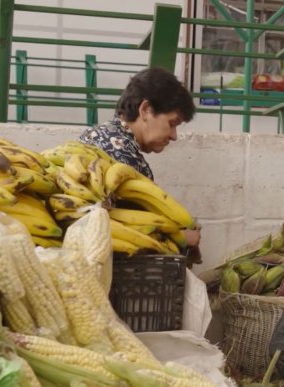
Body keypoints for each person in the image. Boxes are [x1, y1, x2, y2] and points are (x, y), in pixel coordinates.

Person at [79, 67, 202, 261]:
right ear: (145, 110)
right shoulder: (121, 155)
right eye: (172, 123)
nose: (174, 136)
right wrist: (182, 238)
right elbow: (134, 232)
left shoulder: (103, 135)